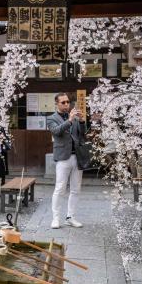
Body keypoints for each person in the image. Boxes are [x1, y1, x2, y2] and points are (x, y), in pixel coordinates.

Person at [47, 93, 86, 229]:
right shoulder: (51, 118)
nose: (66, 104)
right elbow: (56, 131)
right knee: (60, 188)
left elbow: (82, 134)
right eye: (63, 102)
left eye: (67, 102)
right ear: (56, 103)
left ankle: (70, 217)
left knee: (76, 189)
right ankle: (55, 218)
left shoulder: (74, 118)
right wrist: (69, 120)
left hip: (77, 157)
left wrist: (81, 121)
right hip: (63, 157)